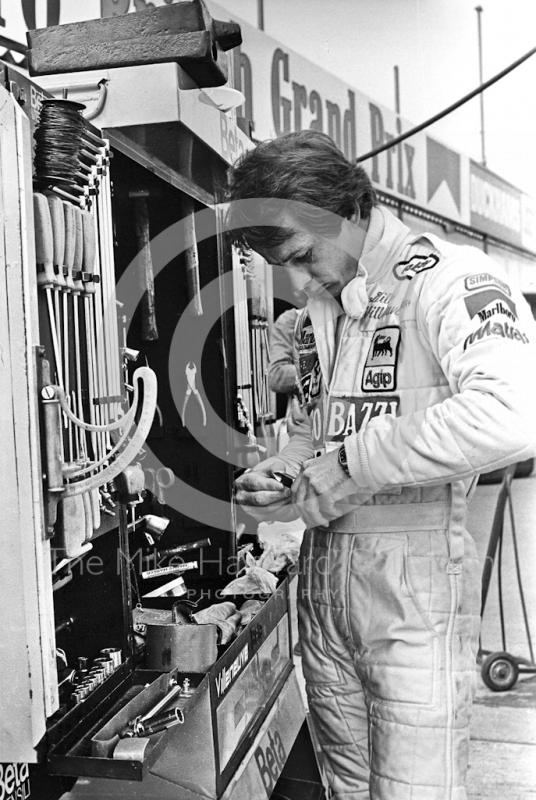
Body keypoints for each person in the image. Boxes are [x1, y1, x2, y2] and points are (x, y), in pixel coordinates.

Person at [228, 130, 536, 800]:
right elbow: (316, 425)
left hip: (409, 603)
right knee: (347, 786)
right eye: (286, 267)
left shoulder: (450, 283)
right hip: (324, 588)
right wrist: (286, 467)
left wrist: (356, 462)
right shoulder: (325, 306)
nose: (300, 281)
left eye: (306, 256)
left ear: (354, 208)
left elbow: (516, 413)